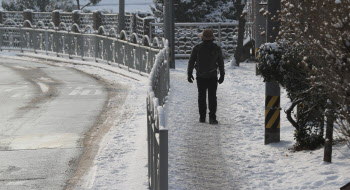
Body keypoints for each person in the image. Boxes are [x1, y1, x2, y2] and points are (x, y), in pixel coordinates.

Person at [187, 28, 225, 124]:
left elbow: (191, 61)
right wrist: (222, 74)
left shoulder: (197, 48)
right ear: (212, 38)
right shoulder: (216, 48)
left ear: (202, 38)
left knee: (201, 97)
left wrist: (189, 73)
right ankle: (212, 117)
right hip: (212, 76)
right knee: (212, 97)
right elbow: (220, 62)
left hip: (200, 76)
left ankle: (202, 117)